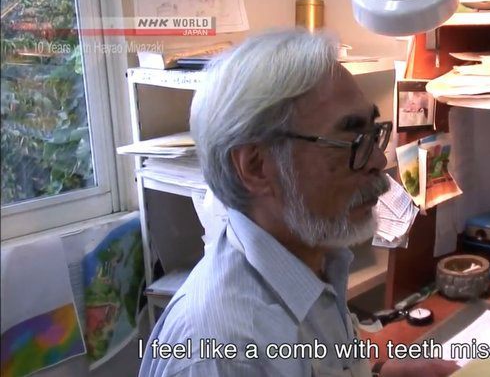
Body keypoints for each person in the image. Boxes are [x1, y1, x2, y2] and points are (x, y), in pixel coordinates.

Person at [138, 30, 459, 377]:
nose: (378, 162)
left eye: (373, 134)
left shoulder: (314, 262)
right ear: (257, 167)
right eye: (351, 140)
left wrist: (382, 373)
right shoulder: (218, 354)